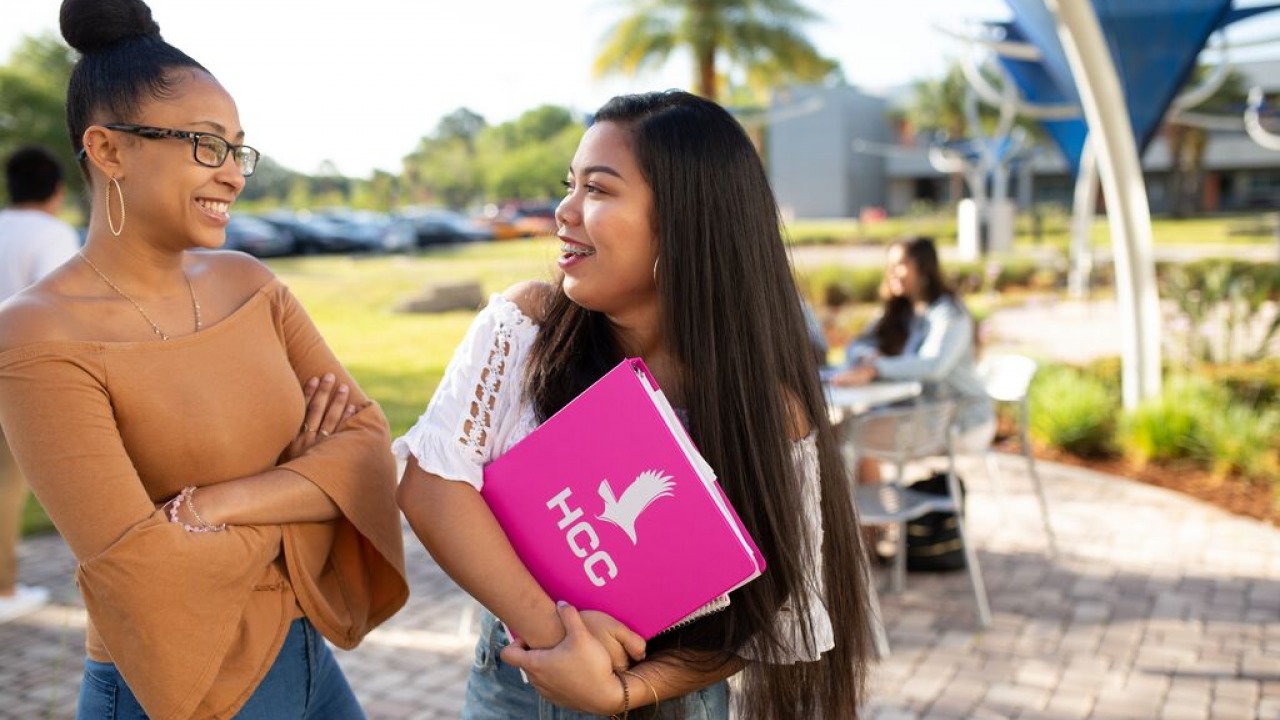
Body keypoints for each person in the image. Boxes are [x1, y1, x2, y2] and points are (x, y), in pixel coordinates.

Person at [396, 90, 873, 720]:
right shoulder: (529, 327)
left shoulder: (766, 409)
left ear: (685, 220)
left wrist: (617, 690)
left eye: (597, 189)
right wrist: (558, 638)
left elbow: (763, 615)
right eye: (570, 184)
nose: (563, 211)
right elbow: (433, 485)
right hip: (518, 688)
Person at [0, 1, 408, 718]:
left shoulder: (251, 284)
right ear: (109, 150)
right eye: (206, 145)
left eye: (238, 150)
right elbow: (140, 570)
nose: (233, 174)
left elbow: (369, 453)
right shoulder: (37, 336)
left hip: (314, 666)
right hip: (181, 691)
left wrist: (216, 505)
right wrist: (310, 484)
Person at [831, 236, 996, 485]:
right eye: (890, 265)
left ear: (924, 268)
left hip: (962, 422)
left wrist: (875, 369)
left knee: (846, 436)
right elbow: (856, 345)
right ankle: (871, 521)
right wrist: (867, 356)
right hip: (923, 415)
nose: (892, 273)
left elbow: (933, 366)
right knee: (841, 432)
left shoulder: (949, 314)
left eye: (900, 264)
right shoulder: (904, 310)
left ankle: (865, 521)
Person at [0, 145, 79, 623]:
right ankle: (4, 588)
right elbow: (62, 309)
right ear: (57, 190)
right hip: (17, 369)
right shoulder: (52, 233)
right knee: (9, 482)